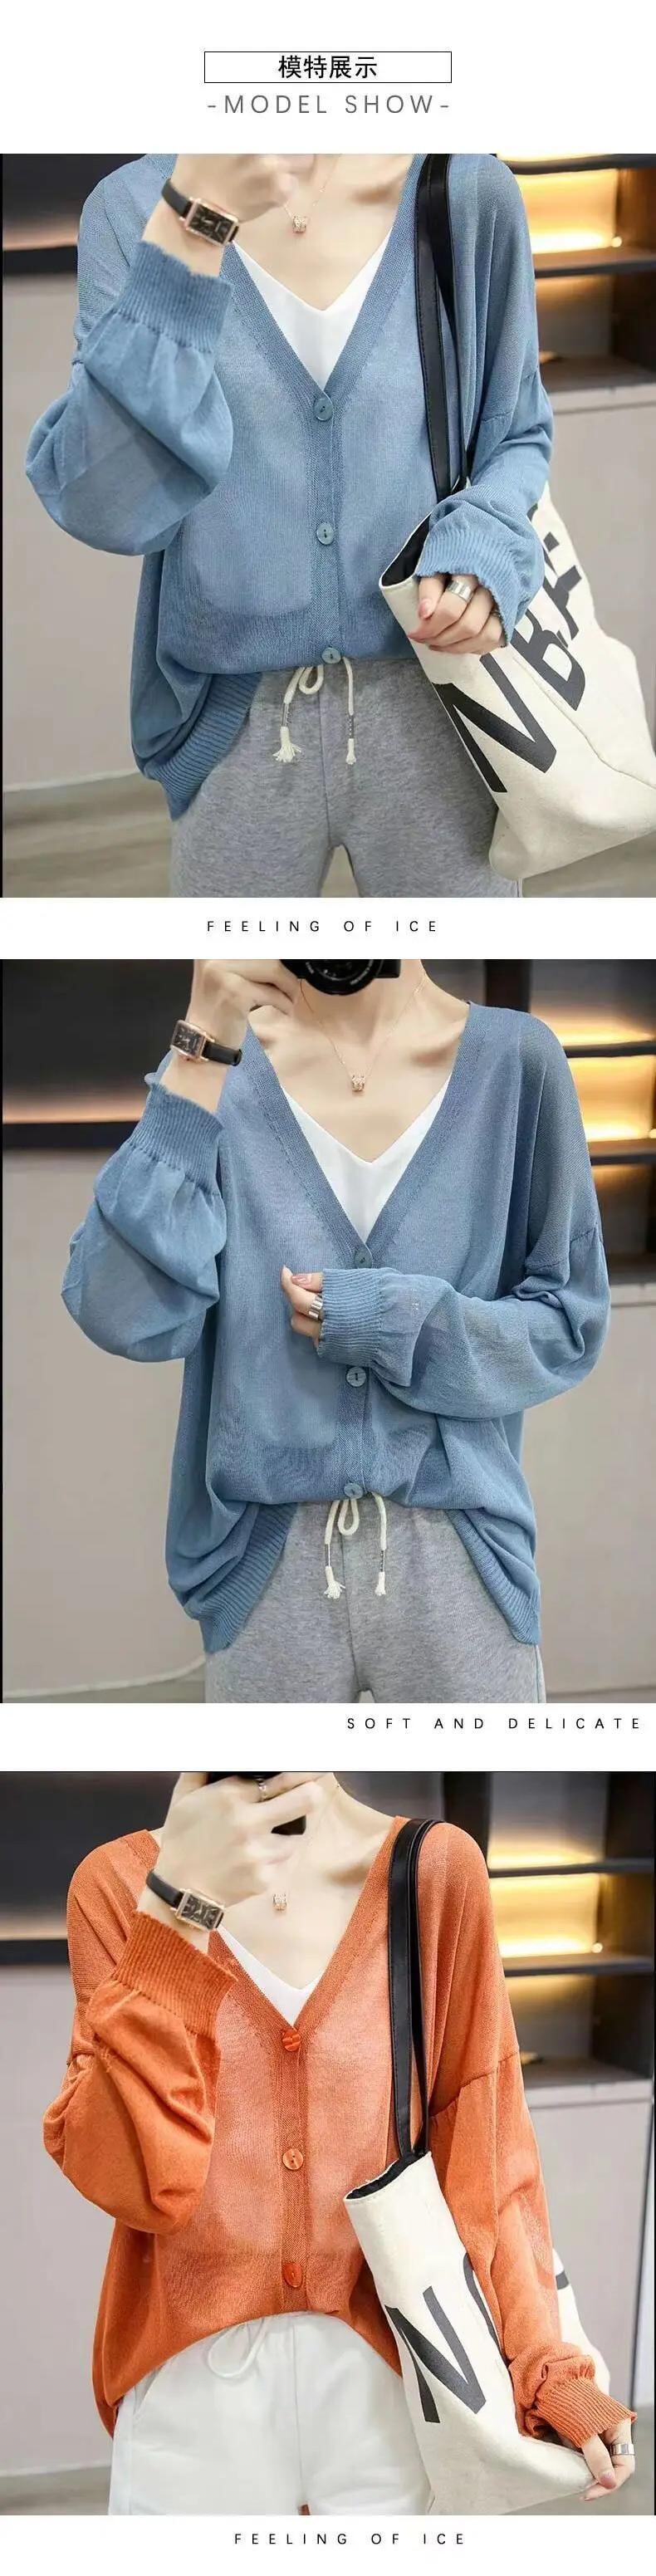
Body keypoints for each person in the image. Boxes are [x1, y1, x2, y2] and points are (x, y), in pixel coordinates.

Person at [44, 1772, 635, 2515]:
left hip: (391, 2393)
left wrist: (553, 2374)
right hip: (189, 2408)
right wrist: (179, 1907)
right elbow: (132, 2182)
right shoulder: (118, 1885)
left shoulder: (433, 1870)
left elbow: (489, 2158)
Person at [61, 959, 610, 1704]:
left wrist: (389, 1320)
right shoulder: (220, 1071)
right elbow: (120, 1310)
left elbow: (569, 1322)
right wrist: (201, 1045)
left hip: (461, 1560)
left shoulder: (517, 1062)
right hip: (261, 1566)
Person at [27, 153, 552, 898]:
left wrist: (483, 548)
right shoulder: (133, 209)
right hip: (234, 724)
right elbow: (108, 504)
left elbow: (516, 432)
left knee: (453, 959)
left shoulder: (464, 188)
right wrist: (193, 228)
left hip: (441, 706)